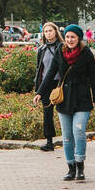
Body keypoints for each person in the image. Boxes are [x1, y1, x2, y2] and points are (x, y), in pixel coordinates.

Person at [36, 25, 95, 182]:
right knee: (66, 136)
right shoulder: (60, 51)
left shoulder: (86, 53)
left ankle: (80, 166)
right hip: (64, 98)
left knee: (78, 132)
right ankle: (70, 167)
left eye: (73, 37)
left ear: (79, 38)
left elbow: (93, 78)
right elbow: (51, 72)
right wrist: (39, 92)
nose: (70, 40)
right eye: (68, 37)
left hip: (82, 98)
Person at [33, 21, 62, 152]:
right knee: (47, 112)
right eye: (46, 31)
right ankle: (49, 141)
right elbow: (40, 68)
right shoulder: (42, 49)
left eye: (50, 30)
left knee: (64, 111)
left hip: (59, 83)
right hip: (45, 83)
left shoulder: (62, 47)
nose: (48, 33)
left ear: (55, 31)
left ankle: (69, 138)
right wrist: (38, 88)